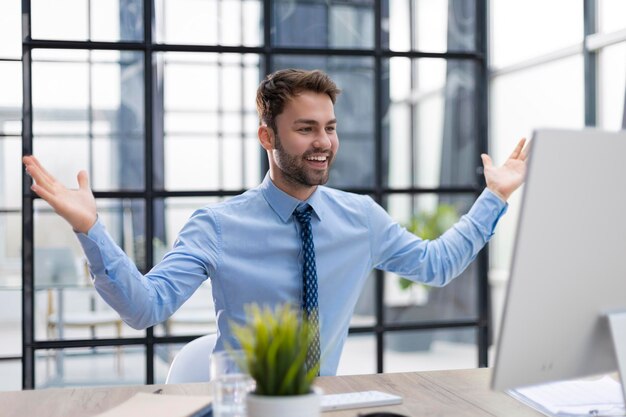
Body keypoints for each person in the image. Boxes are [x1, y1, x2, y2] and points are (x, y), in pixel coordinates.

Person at [23, 68, 528, 376]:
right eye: (305, 129)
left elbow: (435, 265)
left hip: (322, 401)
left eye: (329, 128)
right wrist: (91, 229)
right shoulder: (217, 226)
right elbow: (144, 308)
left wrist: (494, 195)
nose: (323, 142)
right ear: (268, 137)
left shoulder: (360, 218)